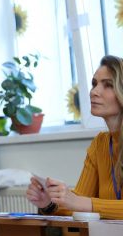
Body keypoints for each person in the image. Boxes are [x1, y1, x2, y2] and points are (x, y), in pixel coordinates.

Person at [28, 55, 123, 219]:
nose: (94, 92)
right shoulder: (100, 144)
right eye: (94, 84)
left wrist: (84, 203)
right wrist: (49, 203)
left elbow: (80, 203)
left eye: (107, 85)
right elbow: (76, 204)